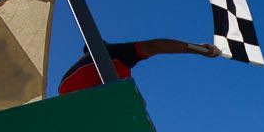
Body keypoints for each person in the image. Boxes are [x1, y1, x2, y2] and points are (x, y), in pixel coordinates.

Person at [58, 39, 220, 95]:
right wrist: (197, 48)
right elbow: (155, 46)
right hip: (114, 119)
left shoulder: (63, 82)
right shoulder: (111, 53)